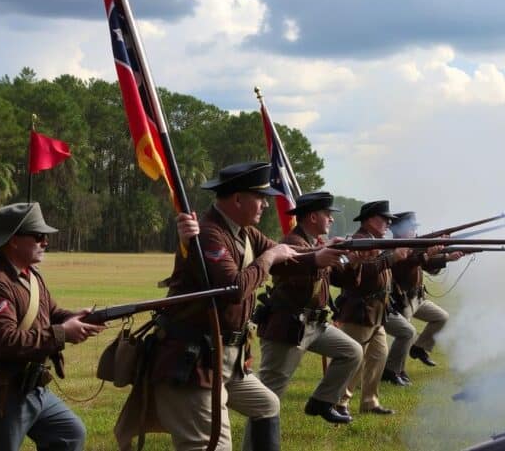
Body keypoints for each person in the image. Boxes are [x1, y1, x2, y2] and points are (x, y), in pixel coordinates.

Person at [128, 162, 344, 451]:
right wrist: (269, 259)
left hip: (227, 359)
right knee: (211, 446)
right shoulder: (208, 233)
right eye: (260, 198)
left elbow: (289, 255)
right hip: (195, 362)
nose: (265, 205)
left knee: (267, 404)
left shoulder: (244, 233)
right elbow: (236, 287)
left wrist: (321, 254)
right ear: (238, 199)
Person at [0, 202, 105, 451]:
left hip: (31, 387)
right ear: (14, 241)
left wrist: (78, 317)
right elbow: (6, 342)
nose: (45, 242)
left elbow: (50, 313)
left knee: (69, 435)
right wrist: (64, 333)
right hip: (1, 393)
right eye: (39, 236)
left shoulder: (30, 274)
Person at [250, 191, 363, 431]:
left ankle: (322, 402)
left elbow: (344, 282)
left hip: (315, 325)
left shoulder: (316, 245)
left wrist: (353, 260)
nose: (331, 219)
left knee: (351, 351)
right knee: (266, 401)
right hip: (289, 328)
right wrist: (317, 258)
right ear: (312, 217)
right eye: (327, 214)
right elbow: (283, 270)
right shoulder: (292, 244)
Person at [331, 200, 409, 415]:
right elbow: (362, 275)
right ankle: (340, 402)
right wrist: (392, 258)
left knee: (378, 356)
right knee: (354, 360)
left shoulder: (376, 241)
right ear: (369, 220)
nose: (388, 223)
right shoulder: (359, 242)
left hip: (377, 312)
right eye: (384, 219)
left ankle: (369, 402)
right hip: (360, 310)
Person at [383, 212, 460, 384]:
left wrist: (446, 257)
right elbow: (409, 263)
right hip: (402, 300)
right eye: (411, 228)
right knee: (406, 334)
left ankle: (420, 348)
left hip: (418, 298)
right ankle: (393, 370)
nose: (414, 231)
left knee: (441, 317)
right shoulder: (394, 249)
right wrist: (426, 254)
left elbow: (427, 265)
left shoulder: (414, 246)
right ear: (400, 230)